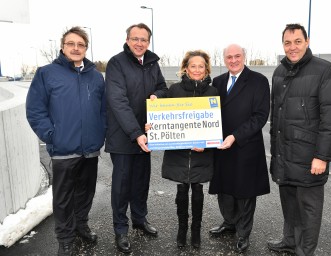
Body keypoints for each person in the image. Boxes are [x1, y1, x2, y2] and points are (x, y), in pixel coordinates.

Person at [26, 26, 106, 256]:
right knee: (63, 199)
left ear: (86, 48)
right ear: (62, 47)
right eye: (71, 44)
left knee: (86, 193)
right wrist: (51, 136)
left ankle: (81, 226)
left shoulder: (95, 75)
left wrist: (100, 133)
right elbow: (35, 109)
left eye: (80, 44)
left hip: (90, 149)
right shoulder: (47, 73)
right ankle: (65, 238)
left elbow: (103, 110)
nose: (75, 48)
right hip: (63, 150)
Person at [267, 23, 331, 256]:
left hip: (310, 157)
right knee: (289, 202)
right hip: (284, 154)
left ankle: (305, 251)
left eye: (297, 41)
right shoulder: (279, 72)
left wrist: (322, 156)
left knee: (309, 209)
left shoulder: (326, 71)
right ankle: (289, 241)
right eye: (287, 43)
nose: (292, 47)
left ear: (307, 41)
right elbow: (277, 115)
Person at [105, 23, 168, 254]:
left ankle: (140, 220)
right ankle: (120, 229)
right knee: (122, 186)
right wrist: (136, 133)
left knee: (141, 181)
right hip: (124, 137)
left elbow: (163, 87)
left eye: (144, 39)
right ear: (127, 40)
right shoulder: (116, 63)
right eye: (135, 39)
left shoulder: (152, 63)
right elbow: (118, 102)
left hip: (147, 135)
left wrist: (156, 95)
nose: (139, 43)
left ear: (148, 42)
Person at [208, 44, 270, 253]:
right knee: (224, 189)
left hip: (245, 145)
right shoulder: (217, 82)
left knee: (244, 192)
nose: (233, 60)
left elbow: (260, 116)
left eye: (237, 56)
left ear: (244, 57)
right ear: (224, 59)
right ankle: (229, 222)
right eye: (229, 57)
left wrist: (235, 136)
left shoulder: (258, 81)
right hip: (221, 146)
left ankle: (243, 233)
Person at [160, 50, 218, 248]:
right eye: (193, 66)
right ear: (186, 68)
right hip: (179, 152)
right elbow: (164, 118)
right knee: (182, 189)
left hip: (202, 152)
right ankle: (182, 228)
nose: (197, 69)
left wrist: (207, 142)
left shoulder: (213, 92)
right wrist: (154, 126)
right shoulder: (174, 90)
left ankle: (196, 230)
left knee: (198, 190)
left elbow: (217, 124)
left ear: (206, 69)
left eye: (201, 66)